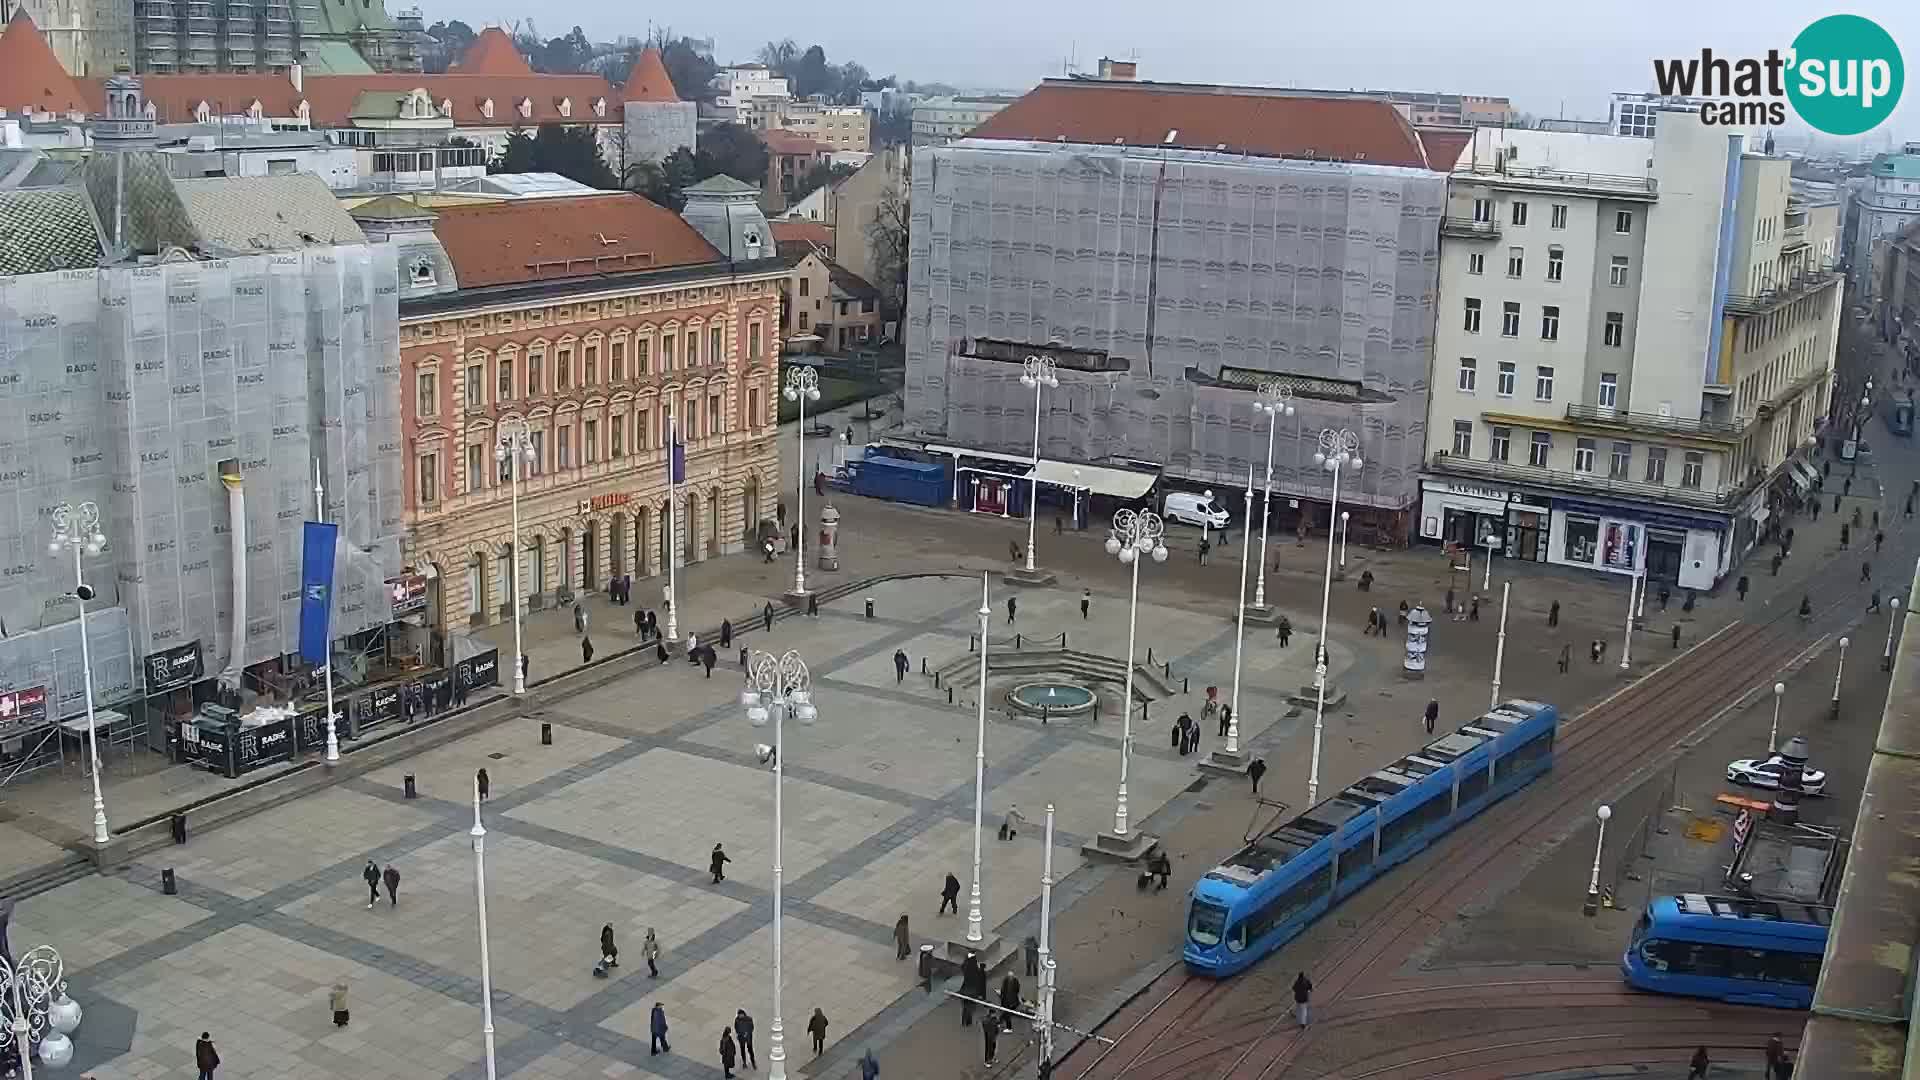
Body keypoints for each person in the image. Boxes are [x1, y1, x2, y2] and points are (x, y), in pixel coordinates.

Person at [959, 953, 985, 1026]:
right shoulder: (974, 967)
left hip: (966, 989)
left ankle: (964, 1021)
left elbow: (962, 967)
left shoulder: (966, 966)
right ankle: (968, 1021)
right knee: (970, 1007)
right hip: (972, 990)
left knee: (965, 1007)